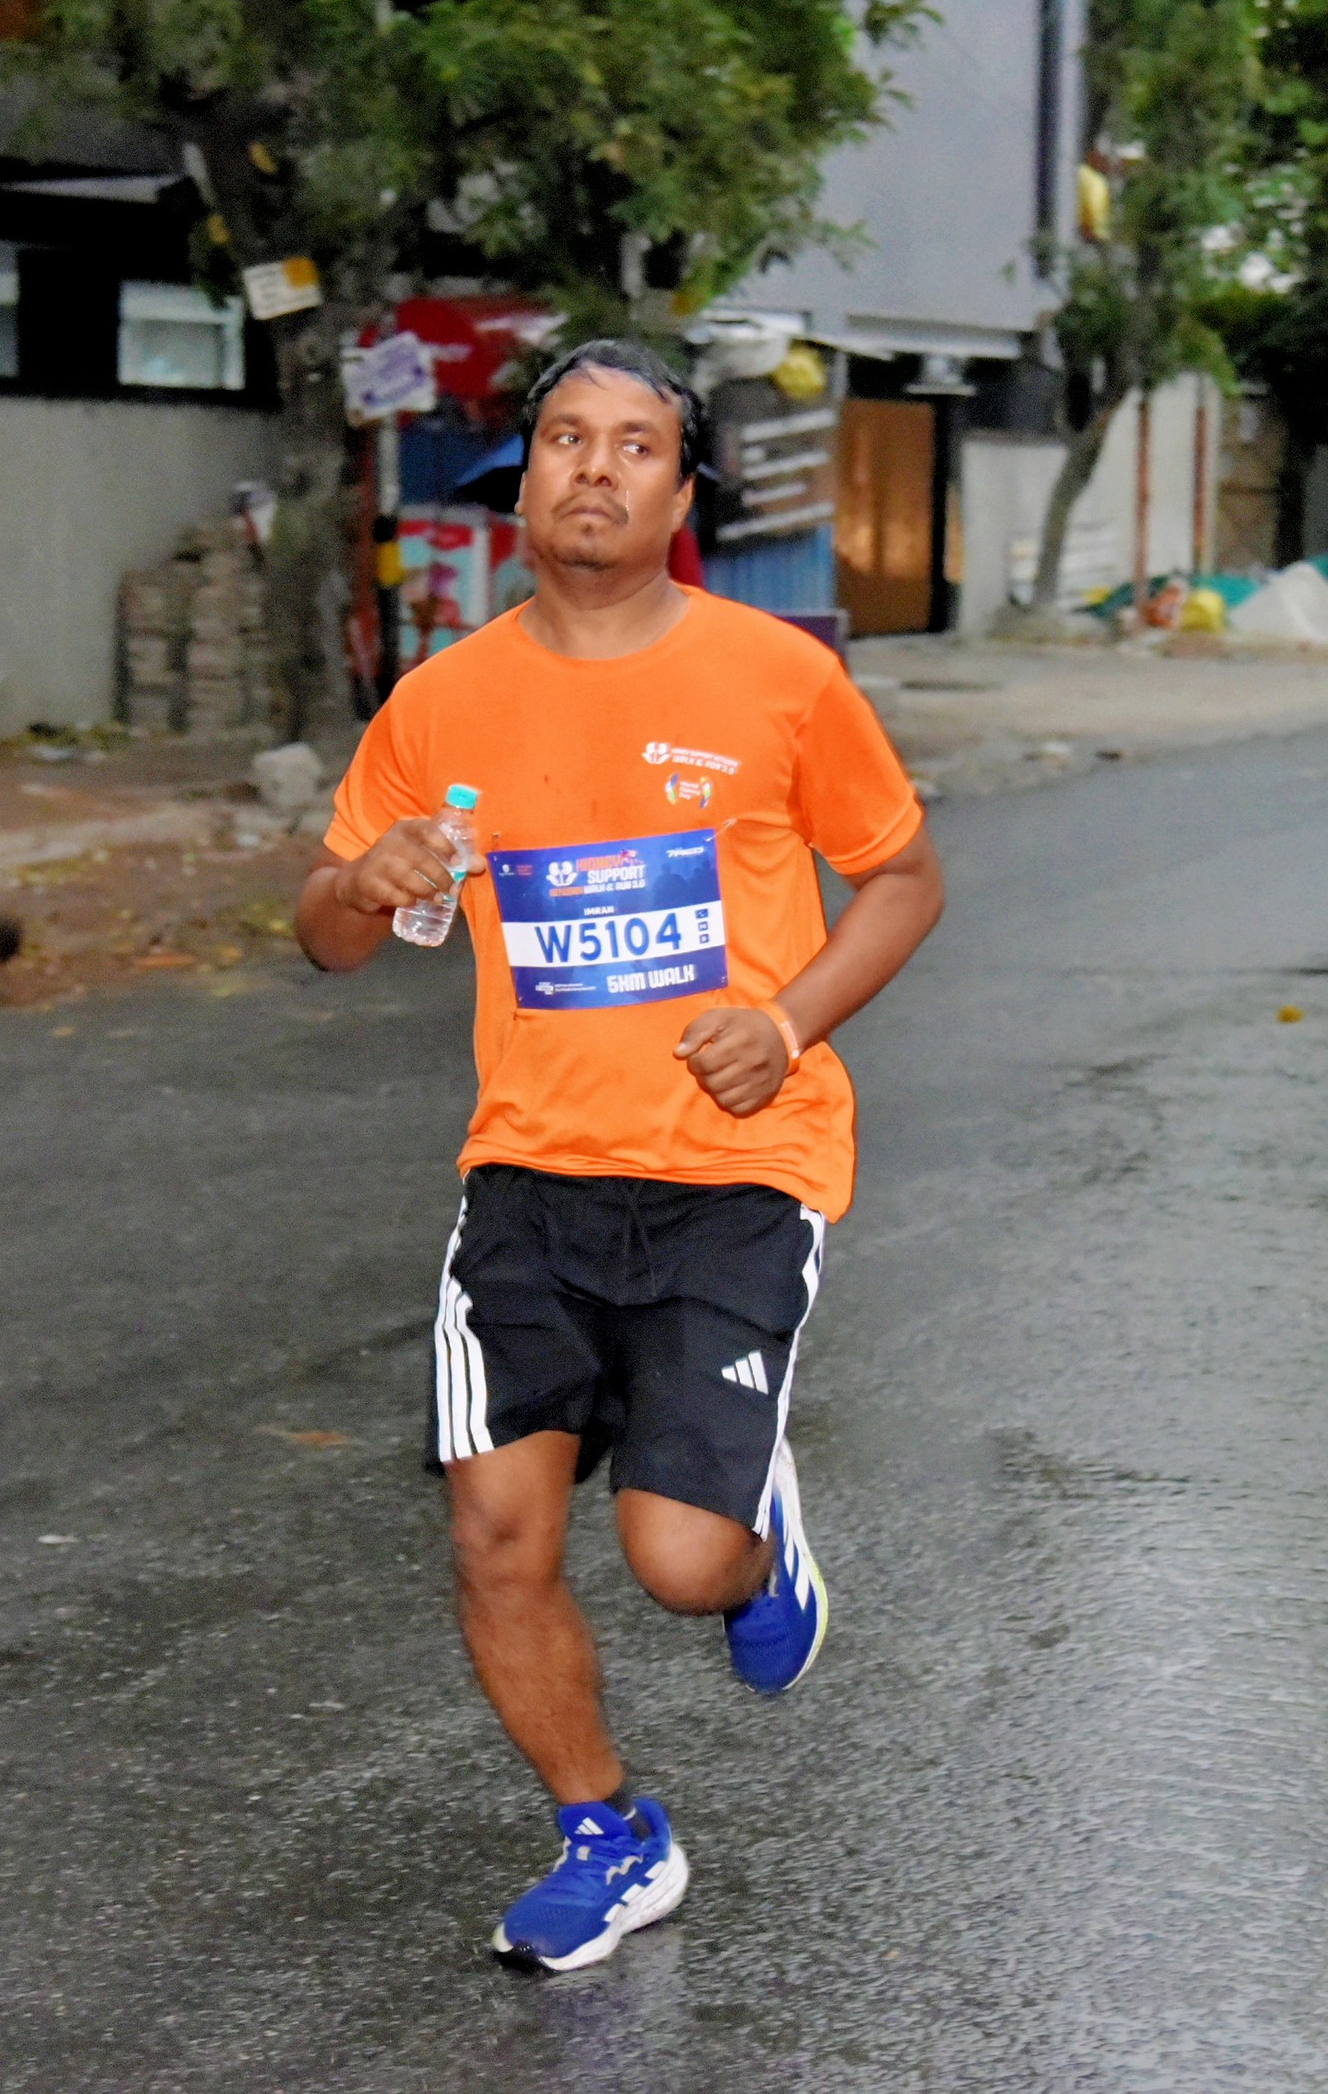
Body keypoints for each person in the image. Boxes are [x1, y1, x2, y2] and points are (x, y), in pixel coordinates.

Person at [299, 338, 943, 1968]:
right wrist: (363, 882)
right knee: (492, 1535)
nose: (594, 467)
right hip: (526, 1176)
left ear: (680, 491)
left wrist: (785, 1023)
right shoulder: (442, 699)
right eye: (564, 438)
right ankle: (608, 1833)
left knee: (675, 1560)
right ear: (522, 477)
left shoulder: (776, 678)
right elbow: (325, 933)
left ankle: (752, 1535)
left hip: (734, 1167)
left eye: (634, 444)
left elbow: (902, 879)